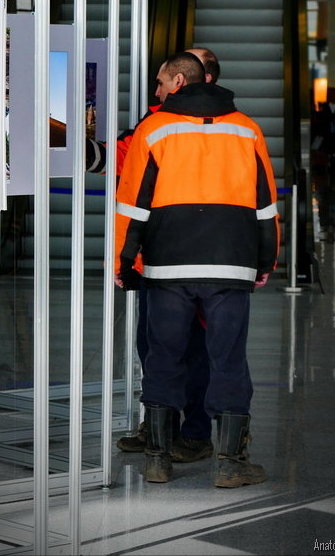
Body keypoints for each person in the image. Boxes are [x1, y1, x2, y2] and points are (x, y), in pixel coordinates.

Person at [115, 51, 280, 487]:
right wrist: (266, 261)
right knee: (227, 359)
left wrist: (125, 260)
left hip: (168, 265)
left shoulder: (154, 129)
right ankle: (230, 464)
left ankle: (157, 460)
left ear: (179, 82)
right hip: (231, 265)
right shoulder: (247, 129)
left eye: (160, 81)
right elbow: (266, 206)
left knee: (163, 356)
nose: (156, 89)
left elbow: (132, 204)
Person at [116, 48, 219, 464]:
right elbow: (124, 160)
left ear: (195, 79)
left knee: (196, 353)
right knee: (155, 349)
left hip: (200, 261)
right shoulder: (153, 123)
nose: (157, 87)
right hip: (161, 262)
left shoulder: (228, 127)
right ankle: (159, 428)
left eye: (165, 79)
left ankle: (194, 433)